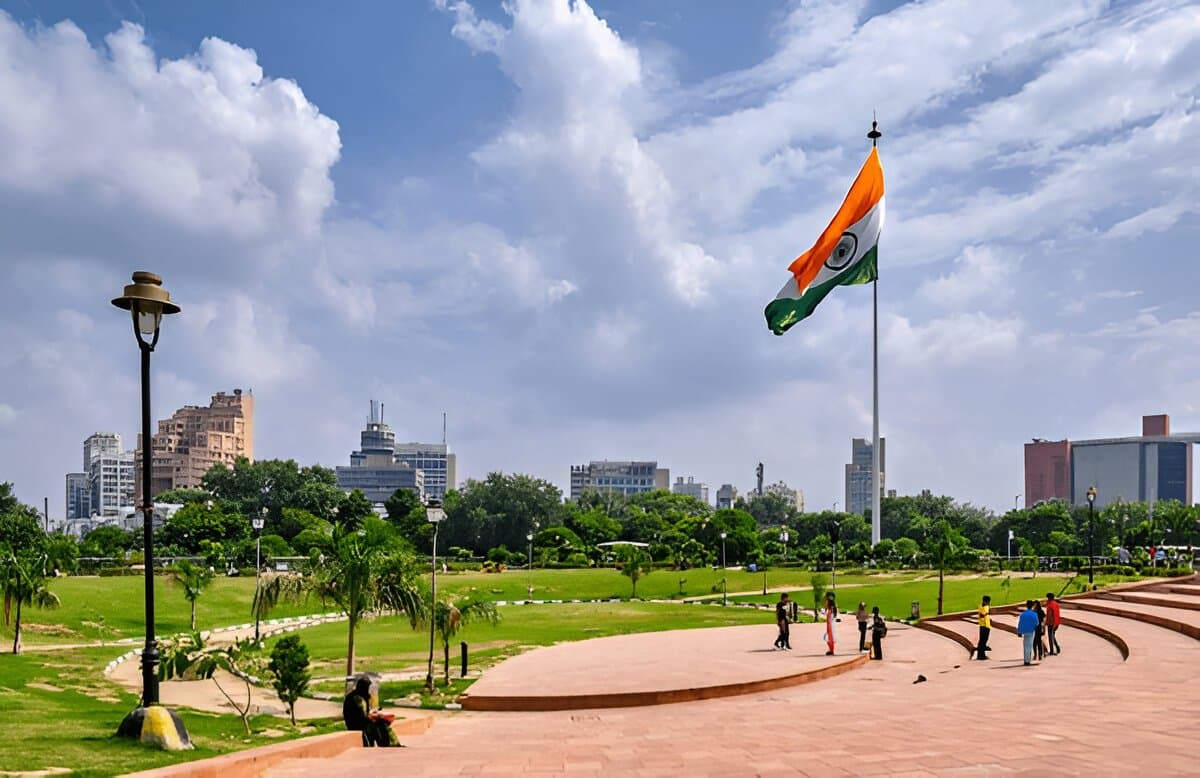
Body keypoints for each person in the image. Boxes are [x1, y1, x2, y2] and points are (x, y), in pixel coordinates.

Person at [343, 677, 400, 747]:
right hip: (356, 725)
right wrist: (377, 717)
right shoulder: (358, 699)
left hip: (359, 723)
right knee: (381, 724)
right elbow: (362, 717)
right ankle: (390, 744)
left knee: (381, 722)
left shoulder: (359, 696)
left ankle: (391, 744)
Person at [1016, 600, 1040, 666]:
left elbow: (1020, 623)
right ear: (1032, 606)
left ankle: (1026, 660)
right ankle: (1027, 661)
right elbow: (1037, 623)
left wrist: (1019, 631)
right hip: (1031, 631)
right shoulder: (1034, 614)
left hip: (1024, 631)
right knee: (1029, 646)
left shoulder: (1023, 614)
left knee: (1025, 645)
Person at [976, 595, 992, 660]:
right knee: (983, 641)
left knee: (982, 641)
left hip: (985, 625)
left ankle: (981, 654)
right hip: (984, 626)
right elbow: (982, 615)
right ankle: (981, 656)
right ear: (985, 601)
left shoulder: (981, 606)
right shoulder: (984, 607)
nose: (989, 603)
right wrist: (986, 613)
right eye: (988, 602)